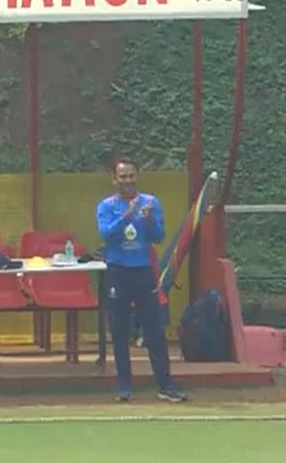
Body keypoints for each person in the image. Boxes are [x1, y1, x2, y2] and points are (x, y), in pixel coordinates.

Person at [97, 156, 187, 403]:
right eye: (122, 176)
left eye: (131, 176)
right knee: (119, 330)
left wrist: (147, 219)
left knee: (154, 329)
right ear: (114, 179)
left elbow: (158, 236)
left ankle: (165, 384)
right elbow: (106, 235)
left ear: (137, 177)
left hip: (144, 272)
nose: (127, 181)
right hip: (118, 272)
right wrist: (126, 215)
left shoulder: (151, 202)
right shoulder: (106, 206)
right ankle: (124, 385)